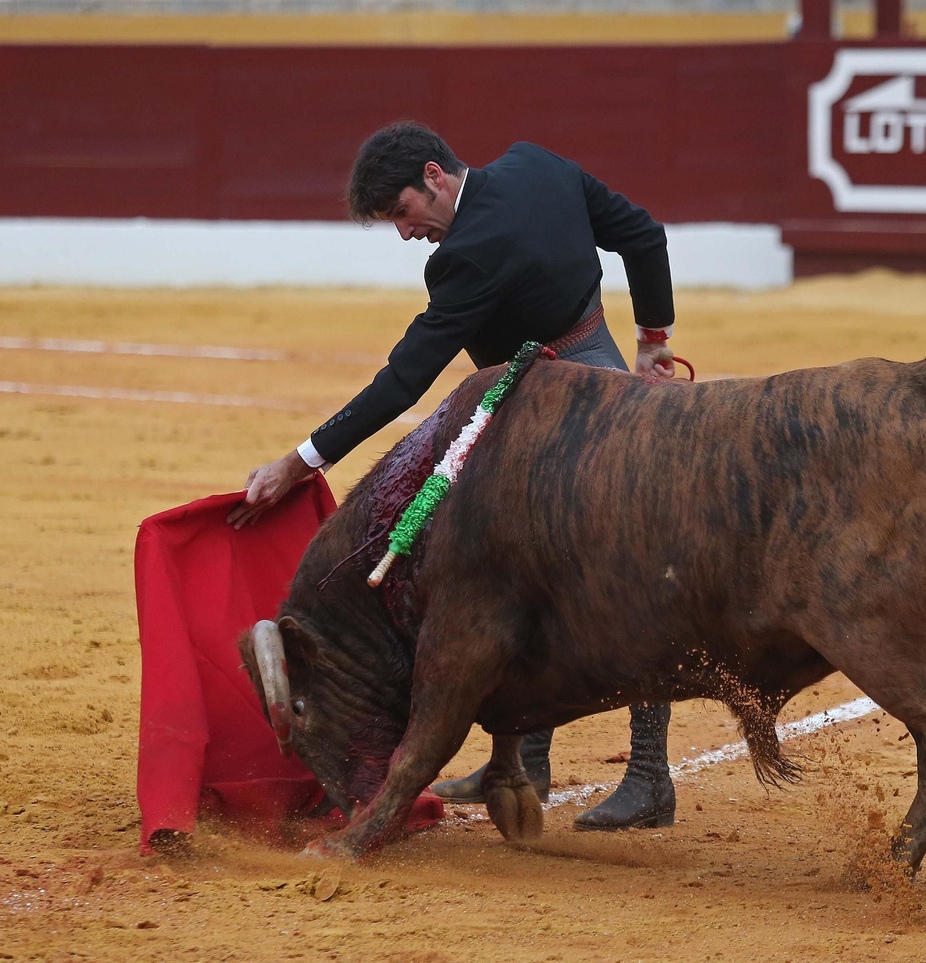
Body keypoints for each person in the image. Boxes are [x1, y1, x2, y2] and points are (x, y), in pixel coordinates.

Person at [227, 121, 680, 831]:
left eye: (403, 215)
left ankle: (650, 776)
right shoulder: (539, 163)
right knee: (536, 573)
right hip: (602, 377)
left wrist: (303, 458)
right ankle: (529, 763)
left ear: (435, 176)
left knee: (613, 579)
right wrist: (653, 342)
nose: (406, 235)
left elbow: (405, 379)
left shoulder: (466, 255)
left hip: (551, 419)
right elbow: (644, 235)